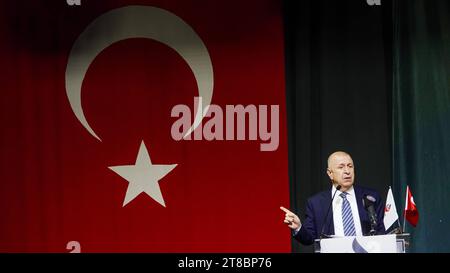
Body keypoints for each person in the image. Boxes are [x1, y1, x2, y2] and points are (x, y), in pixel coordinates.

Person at [280, 151, 386, 245]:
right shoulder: (316, 203)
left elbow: (382, 231)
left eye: (350, 166)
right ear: (330, 173)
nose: (347, 171)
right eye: (341, 167)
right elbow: (309, 238)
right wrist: (299, 227)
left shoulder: (371, 197)